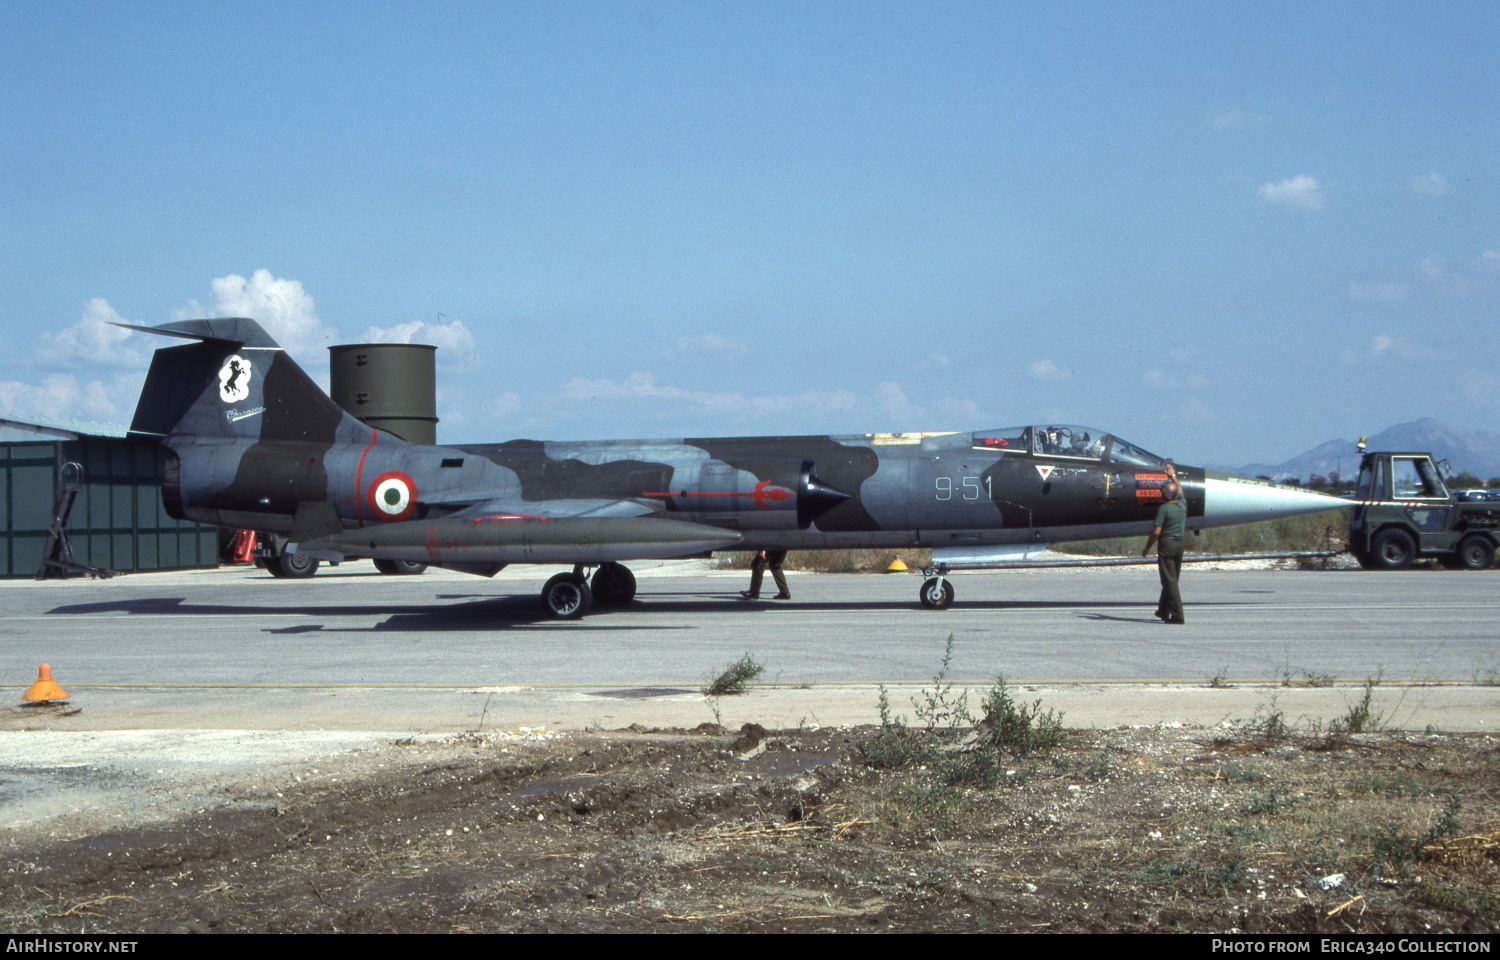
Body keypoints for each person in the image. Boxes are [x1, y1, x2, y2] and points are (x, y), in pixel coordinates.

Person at [1142, 480, 1187, 624]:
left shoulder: (1164, 509)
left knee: (1169, 580)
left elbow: (1156, 532)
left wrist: (1147, 547)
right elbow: (1180, 490)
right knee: (1172, 578)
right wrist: (1173, 476)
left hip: (1167, 543)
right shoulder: (1182, 504)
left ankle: (1177, 614)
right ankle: (1163, 610)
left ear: (1164, 495)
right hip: (1180, 543)